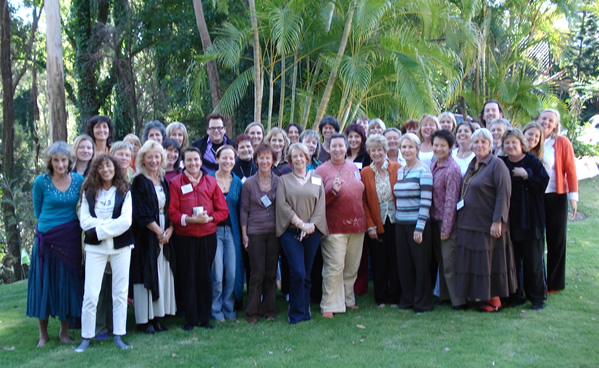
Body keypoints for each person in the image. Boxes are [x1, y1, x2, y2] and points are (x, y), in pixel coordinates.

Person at [27, 141, 84, 347]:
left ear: (70, 161)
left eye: (64, 160)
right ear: (50, 161)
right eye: (56, 160)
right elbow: (37, 211)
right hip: (46, 239)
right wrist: (43, 232)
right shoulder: (41, 182)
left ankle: (64, 332)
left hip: (70, 237)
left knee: (67, 285)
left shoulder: (78, 179)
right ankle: (43, 335)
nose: (60, 164)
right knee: (44, 284)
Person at [75, 155, 133, 352]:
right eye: (101, 167)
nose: (106, 169)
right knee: (91, 294)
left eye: (109, 166)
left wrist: (99, 229)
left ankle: (119, 335)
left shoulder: (124, 190)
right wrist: (108, 226)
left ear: (115, 168)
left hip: (121, 247)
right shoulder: (88, 191)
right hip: (95, 248)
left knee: (120, 293)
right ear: (96, 170)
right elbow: (85, 221)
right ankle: (86, 337)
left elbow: (126, 221)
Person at [454, 128, 516, 312]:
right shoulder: (473, 164)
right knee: (475, 263)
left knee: (489, 263)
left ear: (490, 145)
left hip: (487, 224)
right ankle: (481, 296)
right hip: (468, 223)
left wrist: (498, 221)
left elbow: (503, 194)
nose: (479, 145)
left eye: (484, 142)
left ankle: (494, 300)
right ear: (471, 145)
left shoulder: (497, 165)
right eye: (476, 142)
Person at [168, 147, 229, 330]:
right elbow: (172, 211)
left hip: (207, 236)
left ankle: (204, 317)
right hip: (184, 238)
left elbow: (223, 211)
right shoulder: (176, 182)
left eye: (196, 160)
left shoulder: (210, 182)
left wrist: (210, 218)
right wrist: (189, 220)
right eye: (189, 160)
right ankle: (189, 318)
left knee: (203, 276)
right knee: (188, 277)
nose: (193, 163)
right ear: (183, 163)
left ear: (201, 162)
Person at [315, 134, 366, 318]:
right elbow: (316, 202)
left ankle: (347, 299)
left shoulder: (353, 167)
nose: (337, 149)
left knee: (351, 267)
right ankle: (329, 304)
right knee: (334, 267)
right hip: (334, 226)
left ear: (346, 148)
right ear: (328, 148)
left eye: (340, 146)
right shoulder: (320, 171)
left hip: (357, 225)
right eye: (333, 146)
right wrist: (333, 192)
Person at [276, 143, 328, 324]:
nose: (298, 159)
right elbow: (282, 206)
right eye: (295, 156)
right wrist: (301, 224)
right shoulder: (283, 180)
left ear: (307, 158)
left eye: (302, 156)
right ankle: (295, 313)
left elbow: (321, 205)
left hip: (312, 232)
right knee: (297, 271)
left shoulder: (317, 179)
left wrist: (311, 225)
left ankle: (305, 312)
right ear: (290, 160)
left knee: (306, 273)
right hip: (291, 232)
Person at [130, 140, 176, 334]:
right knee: (146, 273)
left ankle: (157, 317)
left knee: (162, 273)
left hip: (164, 232)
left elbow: (170, 207)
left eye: (157, 156)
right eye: (149, 157)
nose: (154, 160)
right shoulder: (139, 181)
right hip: (146, 235)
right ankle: (144, 320)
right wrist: (159, 232)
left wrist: (170, 231)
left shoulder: (163, 181)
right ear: (142, 159)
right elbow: (140, 213)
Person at [500, 129, 549, 310]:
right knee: (513, 261)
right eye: (507, 143)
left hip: (531, 219)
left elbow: (543, 183)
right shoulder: (502, 163)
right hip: (510, 219)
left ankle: (536, 297)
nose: (510, 146)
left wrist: (527, 175)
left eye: (514, 142)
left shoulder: (532, 162)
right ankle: (515, 295)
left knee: (533, 260)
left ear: (521, 144)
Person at [539, 109, 578, 293]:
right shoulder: (530, 138)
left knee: (556, 240)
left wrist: (573, 198)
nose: (546, 122)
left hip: (556, 196)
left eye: (550, 120)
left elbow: (571, 170)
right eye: (544, 118)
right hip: (535, 197)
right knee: (536, 241)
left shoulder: (561, 142)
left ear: (555, 124)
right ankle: (536, 280)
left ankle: (554, 283)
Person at [393, 133, 434, 312]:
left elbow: (426, 201)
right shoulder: (401, 171)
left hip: (418, 226)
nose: (407, 150)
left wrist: (420, 227)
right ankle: (408, 300)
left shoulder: (424, 171)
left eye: (410, 147)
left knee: (421, 264)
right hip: (400, 225)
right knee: (404, 264)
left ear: (417, 149)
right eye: (404, 147)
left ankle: (422, 303)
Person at [361, 134, 402, 307]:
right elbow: (363, 201)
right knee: (379, 261)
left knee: (395, 259)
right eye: (373, 150)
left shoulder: (397, 168)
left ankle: (395, 296)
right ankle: (381, 297)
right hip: (377, 221)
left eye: (380, 150)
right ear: (369, 152)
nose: (377, 153)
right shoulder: (365, 172)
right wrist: (370, 225)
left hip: (396, 220)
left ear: (386, 151)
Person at [241, 144, 280, 323]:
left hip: (274, 232)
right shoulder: (249, 183)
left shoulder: (279, 182)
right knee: (257, 273)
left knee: (270, 274)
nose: (264, 161)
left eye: (268, 157)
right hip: (255, 233)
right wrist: (245, 235)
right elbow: (244, 211)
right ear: (256, 160)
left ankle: (270, 310)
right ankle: (252, 312)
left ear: (273, 160)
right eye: (261, 158)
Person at [429, 130, 464, 309]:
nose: (438, 148)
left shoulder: (452, 169)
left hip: (446, 222)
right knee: (441, 260)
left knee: (450, 262)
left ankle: (457, 300)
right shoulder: (435, 164)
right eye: (436, 145)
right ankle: (444, 295)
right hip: (434, 220)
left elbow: (451, 200)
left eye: (443, 145)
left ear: (450, 147)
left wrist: (446, 228)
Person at [209, 145, 243, 321]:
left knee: (231, 272)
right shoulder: (208, 180)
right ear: (217, 159)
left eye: (231, 158)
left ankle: (228, 307)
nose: (228, 161)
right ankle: (215, 309)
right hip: (213, 231)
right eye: (224, 158)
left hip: (232, 232)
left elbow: (242, 210)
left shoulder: (237, 182)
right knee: (216, 273)